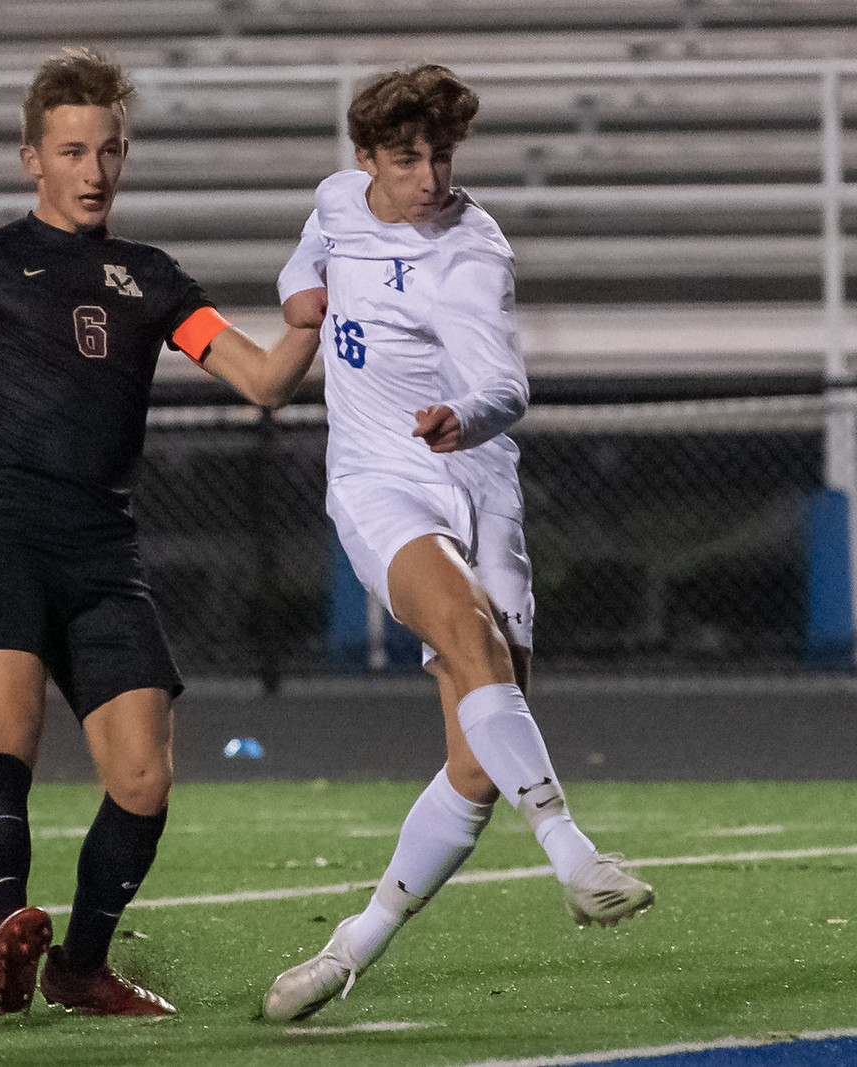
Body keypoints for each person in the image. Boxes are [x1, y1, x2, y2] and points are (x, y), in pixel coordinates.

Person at [0, 48, 323, 1017]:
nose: (94, 169)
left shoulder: (151, 279)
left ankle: (78, 962)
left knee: (144, 775)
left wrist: (312, 321)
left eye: (109, 150)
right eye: (72, 150)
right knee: (7, 735)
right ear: (30, 158)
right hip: (3, 538)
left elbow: (260, 379)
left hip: (105, 556)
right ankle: (8, 922)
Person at [261, 64, 655, 1024]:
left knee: (478, 760)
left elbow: (507, 388)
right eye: (409, 159)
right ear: (367, 161)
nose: (431, 177)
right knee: (469, 635)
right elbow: (307, 258)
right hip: (376, 479)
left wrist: (463, 417)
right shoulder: (336, 202)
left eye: (442, 156)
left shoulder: (473, 253)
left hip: (479, 479)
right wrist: (299, 293)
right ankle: (574, 855)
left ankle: (349, 947)